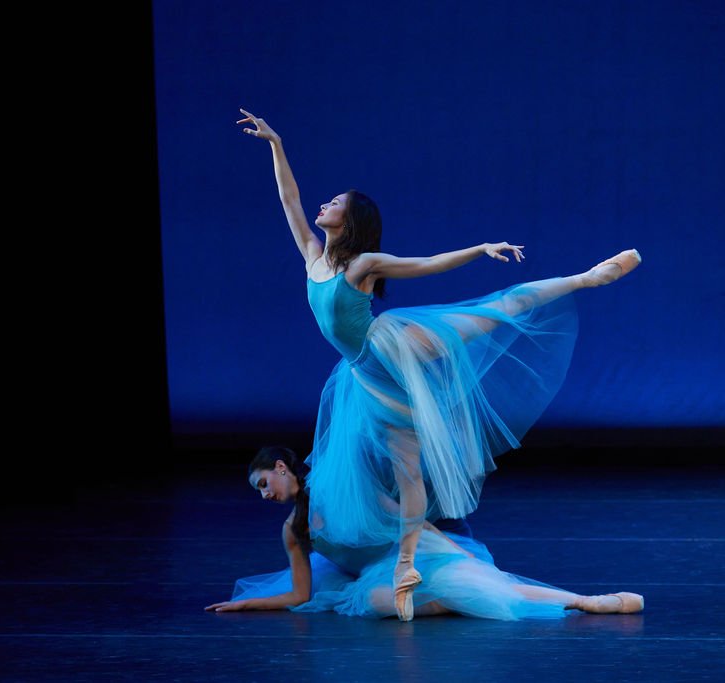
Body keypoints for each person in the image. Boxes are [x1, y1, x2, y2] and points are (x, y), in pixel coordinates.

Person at [236, 109, 641, 621]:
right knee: (406, 471)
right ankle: (406, 562)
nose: (323, 203)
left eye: (334, 202)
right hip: (363, 377)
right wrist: (275, 143)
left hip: (389, 347)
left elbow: (426, 265)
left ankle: (586, 278)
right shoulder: (313, 256)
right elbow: (289, 199)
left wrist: (481, 248)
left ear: (352, 220)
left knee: (492, 312)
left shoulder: (361, 265)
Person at [204, 447, 643, 620]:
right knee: (376, 601)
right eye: (259, 491)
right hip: (373, 575)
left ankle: (584, 600)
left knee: (475, 583)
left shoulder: (338, 490)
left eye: (264, 483)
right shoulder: (292, 530)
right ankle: (454, 601)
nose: (265, 494)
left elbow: (407, 518)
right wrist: (248, 603)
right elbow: (300, 594)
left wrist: (449, 548)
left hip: (412, 550)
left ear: (282, 469)